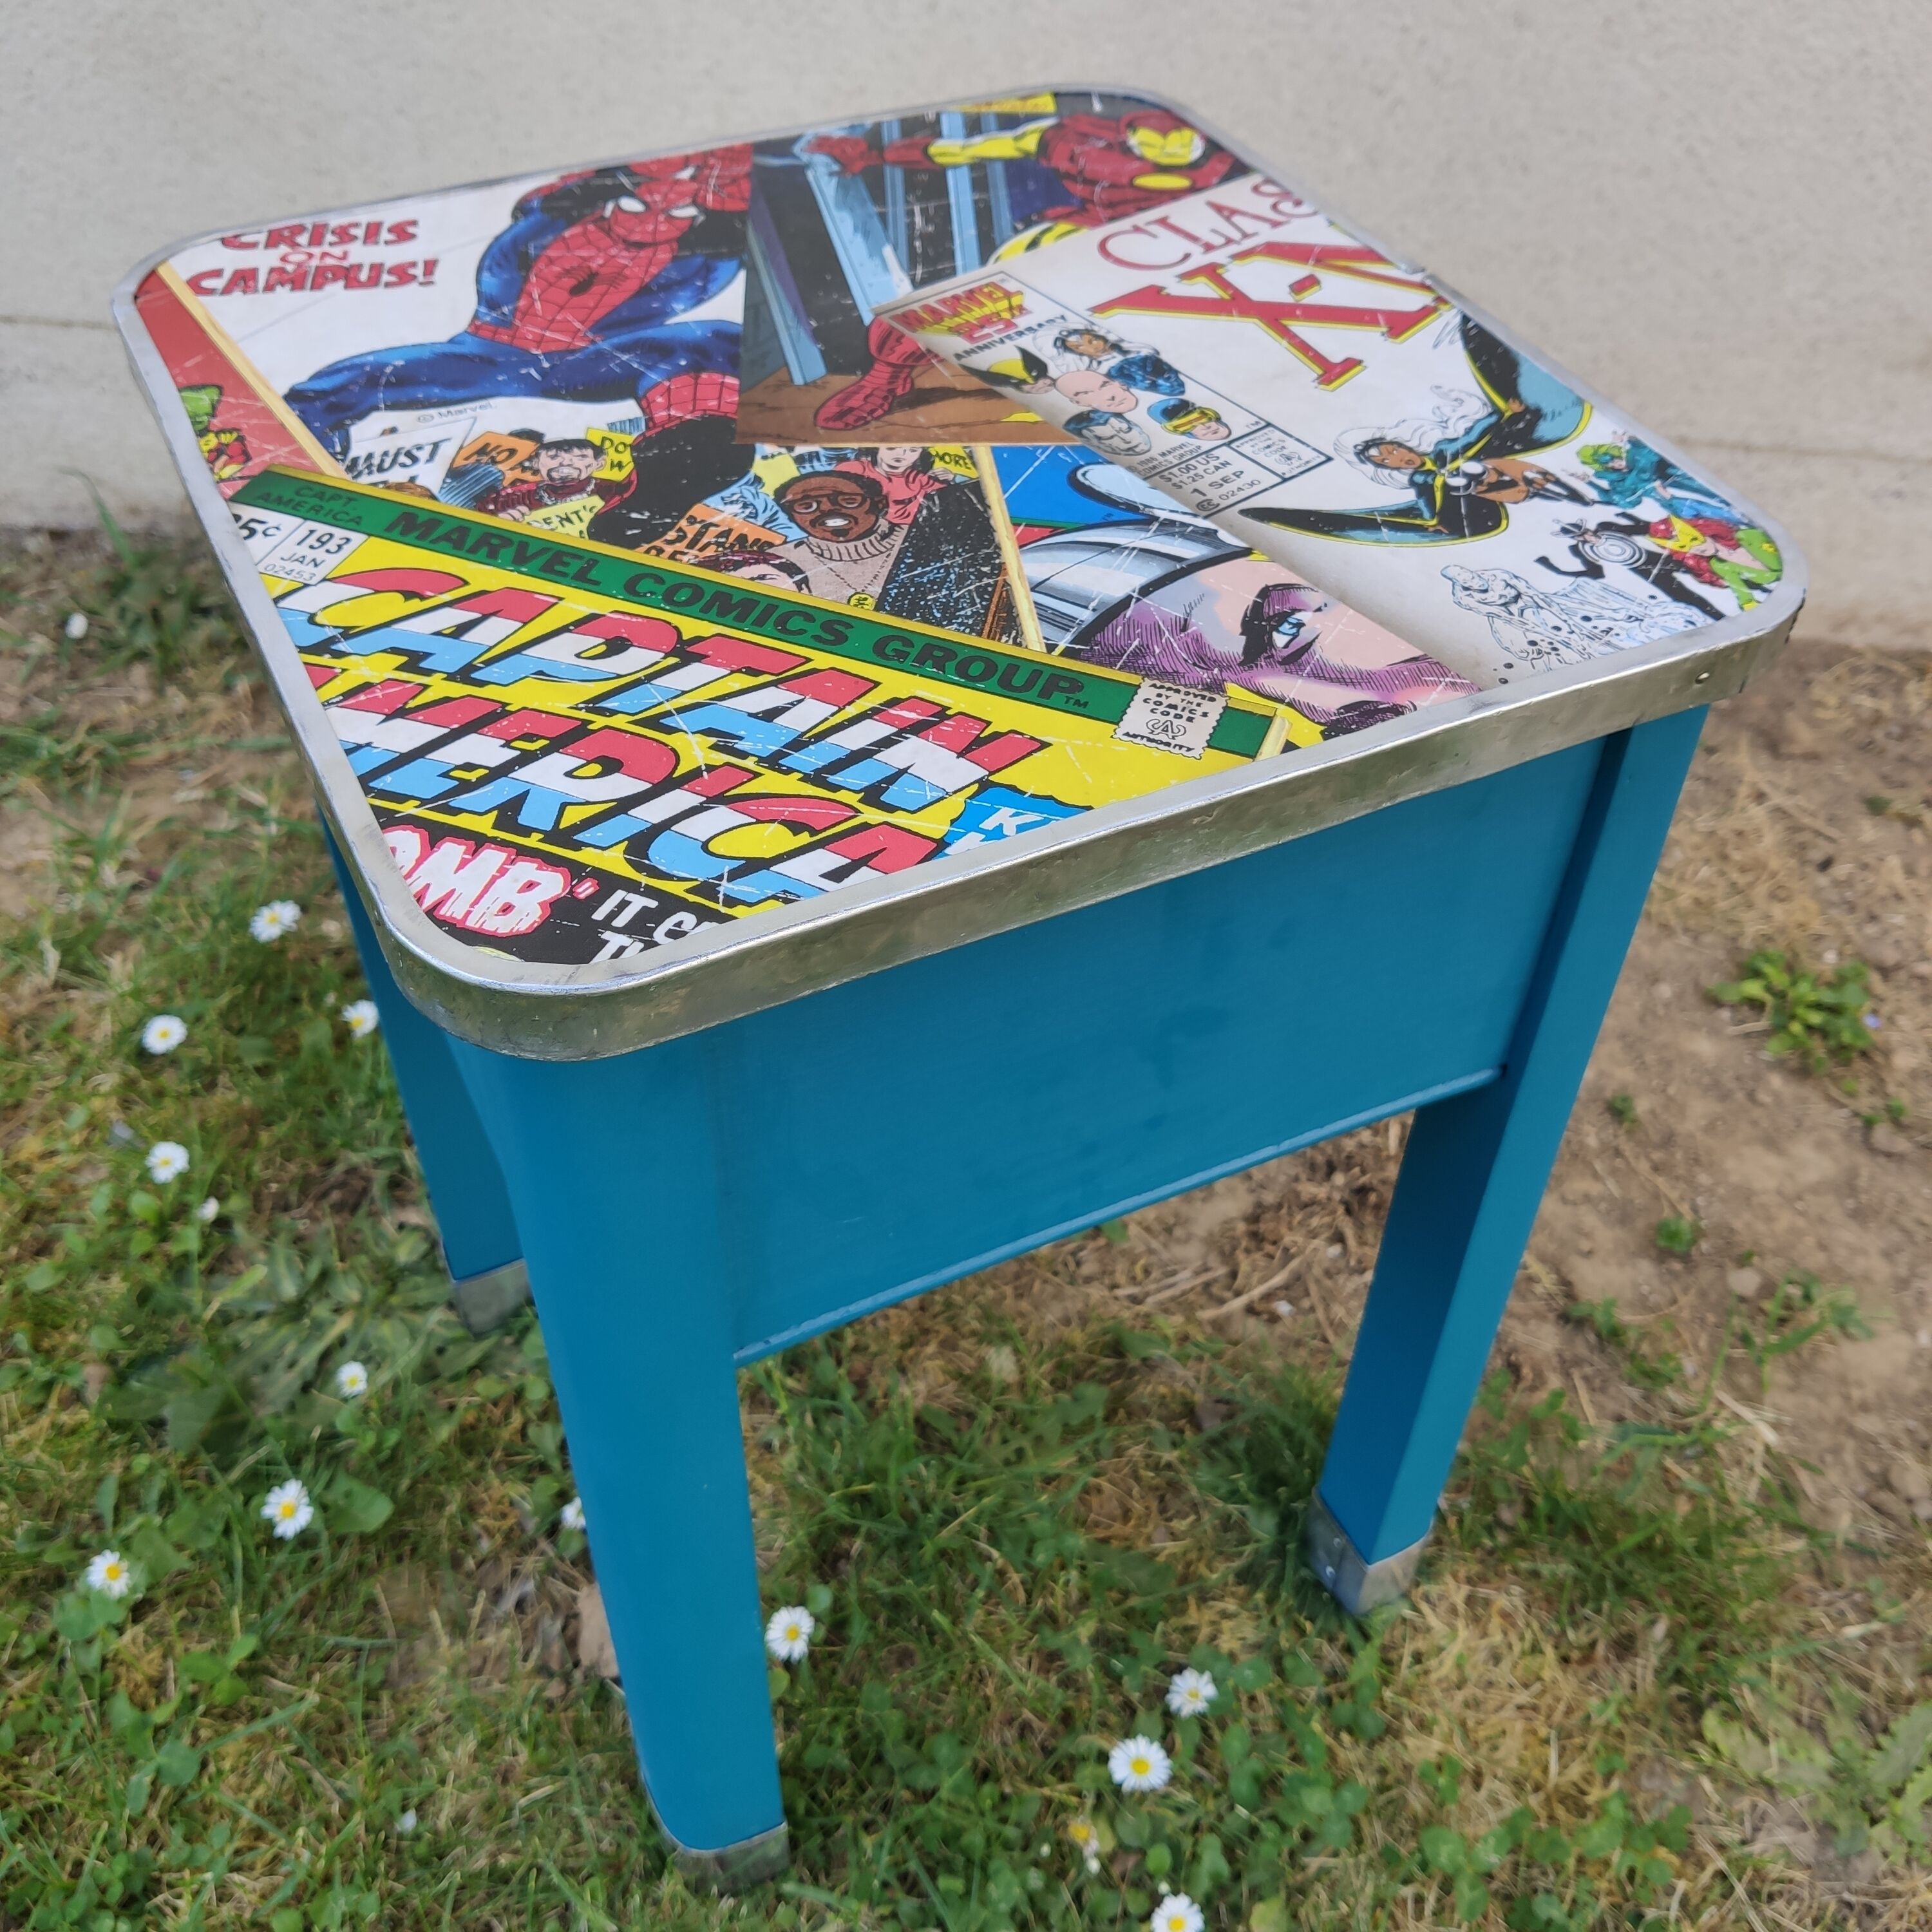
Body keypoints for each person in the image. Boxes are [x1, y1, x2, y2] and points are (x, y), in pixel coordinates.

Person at [285, 149, 750, 459]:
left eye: (677, 215)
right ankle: (302, 448)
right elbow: (546, 207)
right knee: (358, 377)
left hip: (589, 361)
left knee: (712, 340)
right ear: (611, 203)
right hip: (490, 353)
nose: (652, 223)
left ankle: (683, 455)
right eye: (636, 208)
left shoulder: (699, 260)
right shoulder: (547, 228)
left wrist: (727, 190)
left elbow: (733, 241)